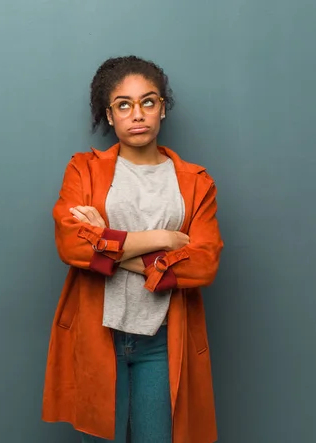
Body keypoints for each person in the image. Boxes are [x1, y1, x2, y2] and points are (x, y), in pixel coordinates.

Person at [41, 56, 224, 443]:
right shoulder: (83, 170)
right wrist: (164, 239)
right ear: (109, 116)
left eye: (148, 101)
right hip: (98, 333)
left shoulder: (195, 181)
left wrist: (105, 241)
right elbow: (71, 243)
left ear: (162, 109)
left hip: (160, 338)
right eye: (123, 104)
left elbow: (203, 264)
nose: (136, 114)